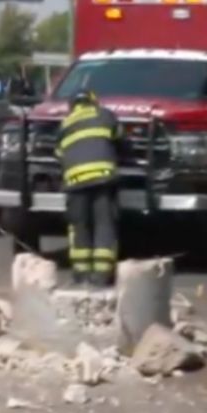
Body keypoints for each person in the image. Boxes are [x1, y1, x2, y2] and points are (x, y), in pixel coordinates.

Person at [58, 89, 122, 288]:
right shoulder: (104, 115)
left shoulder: (65, 123)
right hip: (102, 179)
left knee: (79, 227)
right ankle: (102, 277)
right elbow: (120, 138)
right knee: (104, 224)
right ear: (93, 101)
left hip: (75, 182)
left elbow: (59, 153)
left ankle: (81, 275)